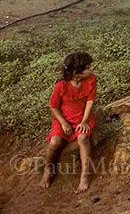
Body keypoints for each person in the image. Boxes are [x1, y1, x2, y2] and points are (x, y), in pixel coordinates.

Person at [41, 51, 96, 193]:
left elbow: (90, 102)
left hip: (81, 118)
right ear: (77, 73)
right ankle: (48, 169)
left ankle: (85, 175)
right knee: (55, 142)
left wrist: (84, 122)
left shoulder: (91, 80)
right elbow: (53, 106)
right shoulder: (61, 86)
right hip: (63, 119)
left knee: (83, 138)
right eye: (88, 67)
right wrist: (64, 124)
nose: (91, 69)